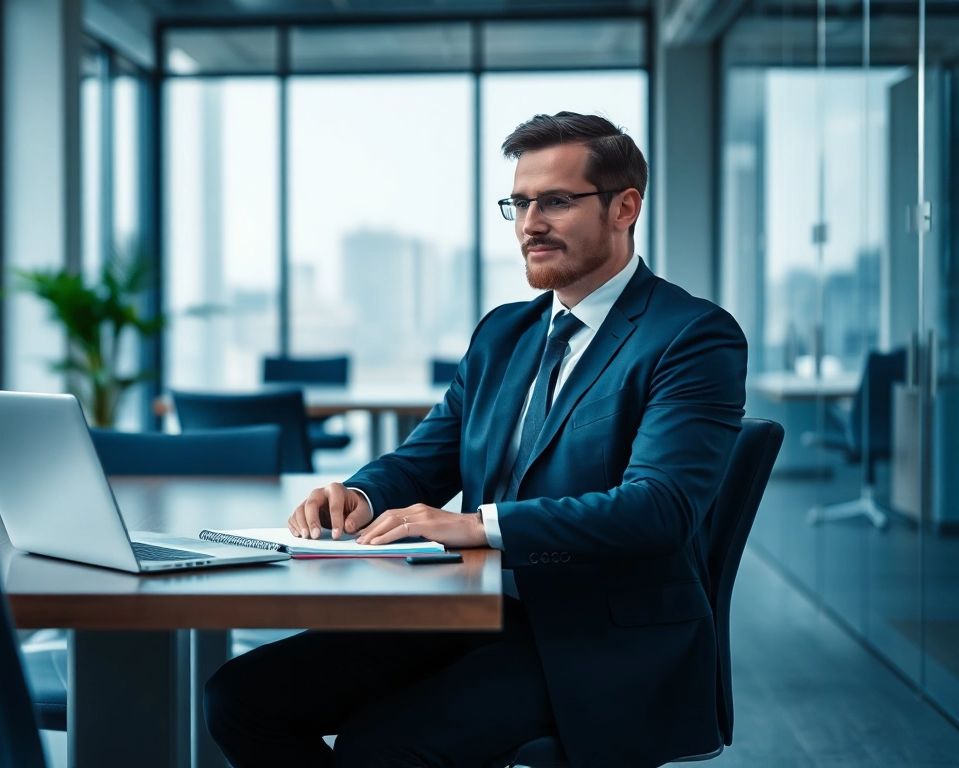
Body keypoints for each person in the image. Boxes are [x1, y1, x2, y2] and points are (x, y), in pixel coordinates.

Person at [203, 112, 747, 768]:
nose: (529, 225)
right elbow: (424, 457)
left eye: (555, 202)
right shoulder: (503, 335)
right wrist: (359, 496)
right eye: (518, 204)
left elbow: (660, 508)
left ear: (624, 207)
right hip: (471, 609)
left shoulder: (691, 336)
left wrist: (478, 525)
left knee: (381, 745)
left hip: (597, 640)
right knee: (241, 696)